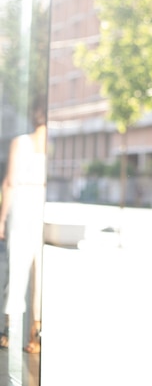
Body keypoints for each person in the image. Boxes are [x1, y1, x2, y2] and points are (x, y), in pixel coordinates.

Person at [0, 106, 47, 354]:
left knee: (17, 268)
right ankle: (35, 333)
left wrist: (1, 218)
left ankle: (8, 330)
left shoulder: (21, 142)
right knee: (40, 273)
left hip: (23, 205)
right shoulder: (53, 146)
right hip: (42, 203)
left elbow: (9, 182)